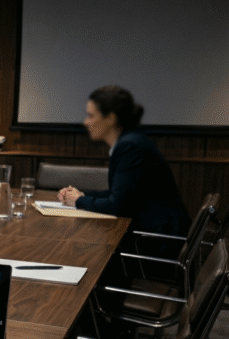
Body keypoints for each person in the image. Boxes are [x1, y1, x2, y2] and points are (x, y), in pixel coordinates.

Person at [58, 86, 189, 237]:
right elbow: (121, 195)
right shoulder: (130, 141)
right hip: (153, 230)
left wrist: (79, 201)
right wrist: (82, 195)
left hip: (158, 238)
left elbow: (117, 206)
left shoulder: (130, 146)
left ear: (111, 119)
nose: (86, 122)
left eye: (91, 116)